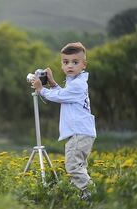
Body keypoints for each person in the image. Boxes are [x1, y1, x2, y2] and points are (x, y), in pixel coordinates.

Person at [31, 42, 96, 201]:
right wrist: (52, 83)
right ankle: (86, 196)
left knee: (73, 167)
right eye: (66, 62)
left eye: (75, 62)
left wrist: (41, 89)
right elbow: (64, 94)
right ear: (61, 64)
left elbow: (59, 97)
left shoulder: (78, 85)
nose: (70, 66)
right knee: (80, 166)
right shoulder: (75, 82)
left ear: (84, 65)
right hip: (82, 132)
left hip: (79, 133)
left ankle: (92, 196)